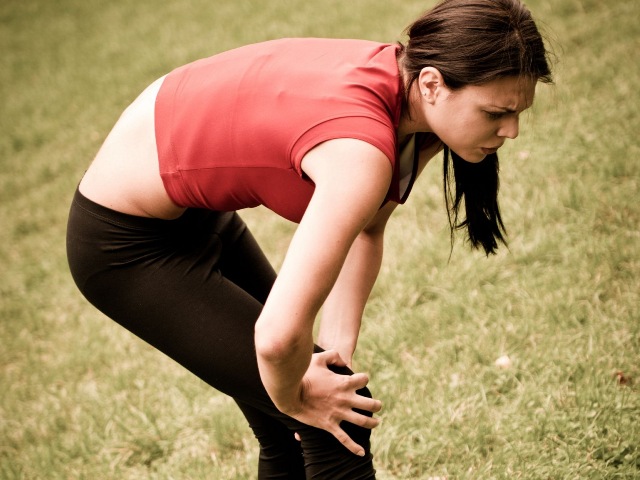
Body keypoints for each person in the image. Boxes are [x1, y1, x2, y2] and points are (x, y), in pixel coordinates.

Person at [66, 0, 552, 477]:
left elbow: (368, 229)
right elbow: (277, 340)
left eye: (517, 113)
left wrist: (335, 361)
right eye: (496, 112)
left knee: (312, 412)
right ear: (432, 84)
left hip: (198, 213)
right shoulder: (361, 151)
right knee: (332, 419)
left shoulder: (413, 106)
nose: (511, 131)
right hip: (124, 245)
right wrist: (297, 398)